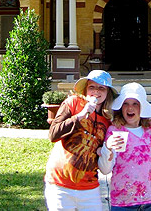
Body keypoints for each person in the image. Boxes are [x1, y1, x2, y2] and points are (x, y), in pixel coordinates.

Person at [44, 69, 118, 211]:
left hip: (89, 188)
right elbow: (53, 134)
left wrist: (102, 150)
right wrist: (80, 115)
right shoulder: (73, 103)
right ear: (85, 89)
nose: (96, 92)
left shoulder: (108, 121)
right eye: (92, 87)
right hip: (60, 184)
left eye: (101, 88)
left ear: (107, 92)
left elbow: (102, 157)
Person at [99, 82, 151, 210]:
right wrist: (107, 147)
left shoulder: (150, 130)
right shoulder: (115, 130)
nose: (130, 108)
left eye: (135, 104)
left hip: (149, 199)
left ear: (142, 107)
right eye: (125, 103)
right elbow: (105, 169)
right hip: (123, 202)